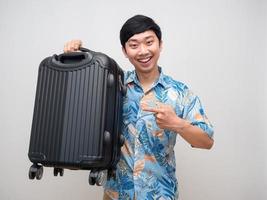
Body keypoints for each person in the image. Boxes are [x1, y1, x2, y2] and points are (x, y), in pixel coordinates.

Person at [64, 14, 214, 200]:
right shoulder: (111, 86)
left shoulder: (180, 93)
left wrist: (177, 124)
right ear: (125, 51)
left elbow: (207, 141)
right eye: (134, 45)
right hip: (116, 194)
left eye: (149, 42)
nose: (143, 51)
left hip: (160, 195)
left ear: (160, 44)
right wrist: (77, 56)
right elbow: (79, 103)